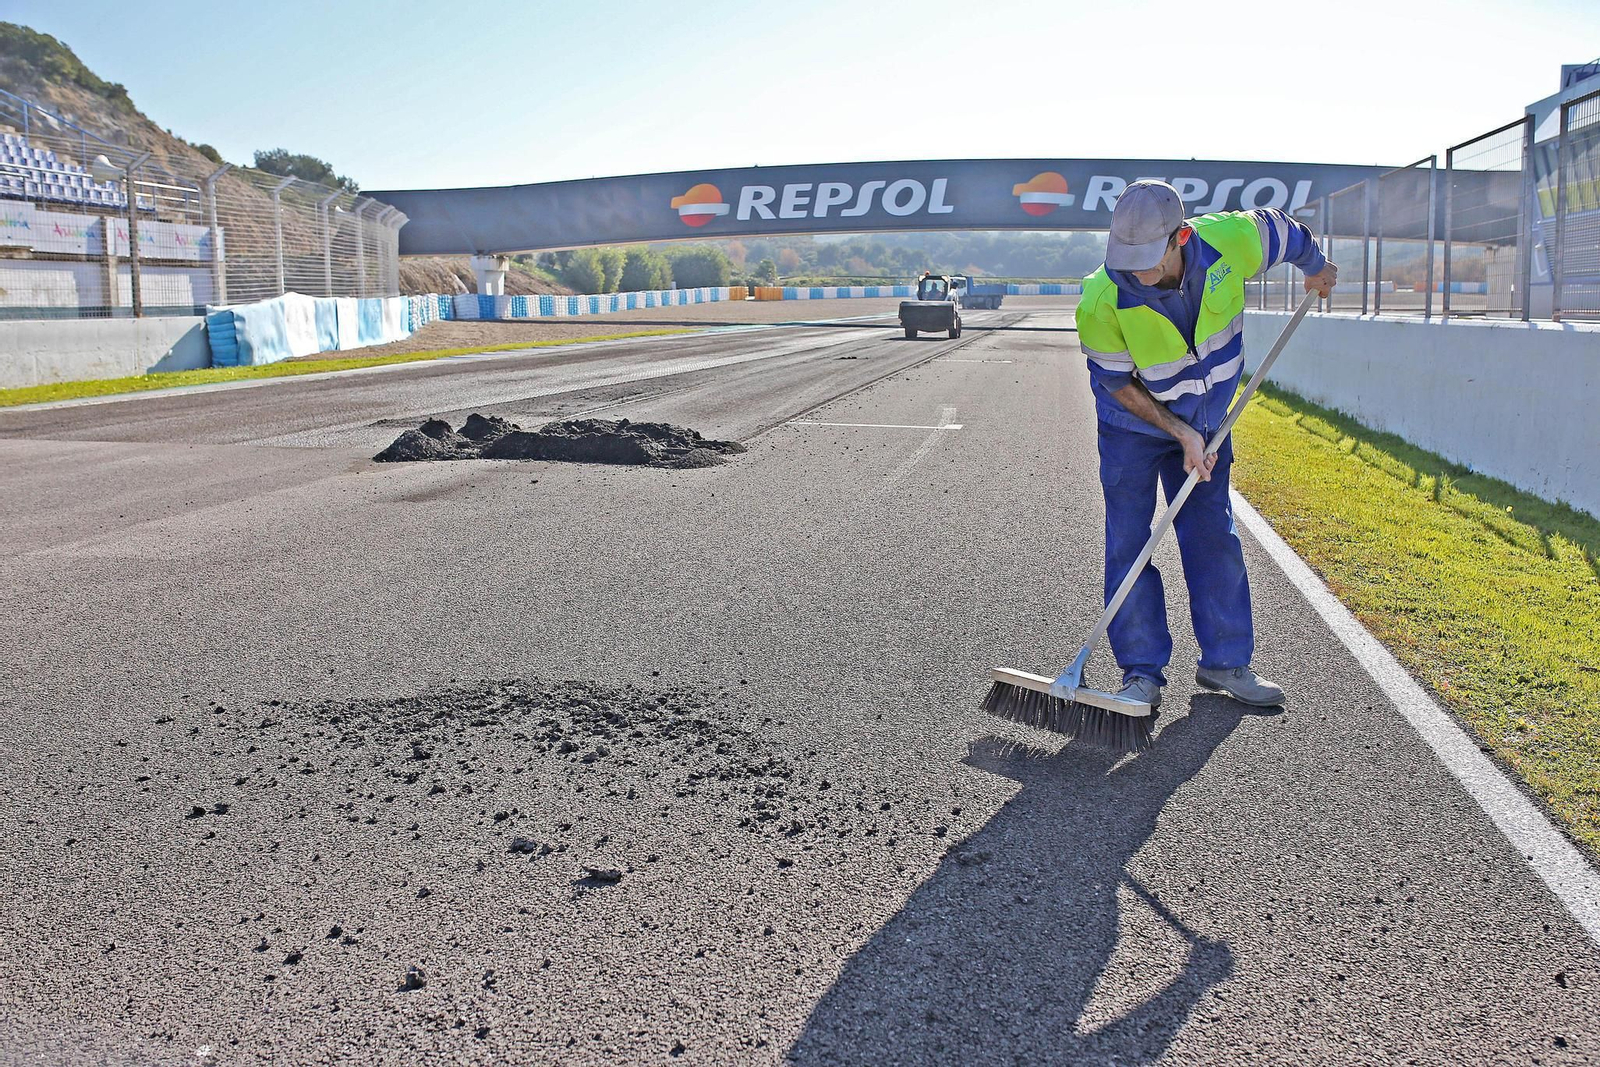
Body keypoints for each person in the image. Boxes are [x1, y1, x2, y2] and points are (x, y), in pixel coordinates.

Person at [1075, 180, 1337, 708]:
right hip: (1133, 427)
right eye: (1126, 258)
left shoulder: (1231, 240)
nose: (1137, 272)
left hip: (1211, 421)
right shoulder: (1101, 297)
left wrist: (1316, 265)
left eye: (1148, 258)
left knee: (1211, 534)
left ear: (1182, 237)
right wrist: (1179, 432)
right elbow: (1116, 384)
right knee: (1129, 541)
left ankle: (1225, 662)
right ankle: (1141, 674)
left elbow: (1283, 231)